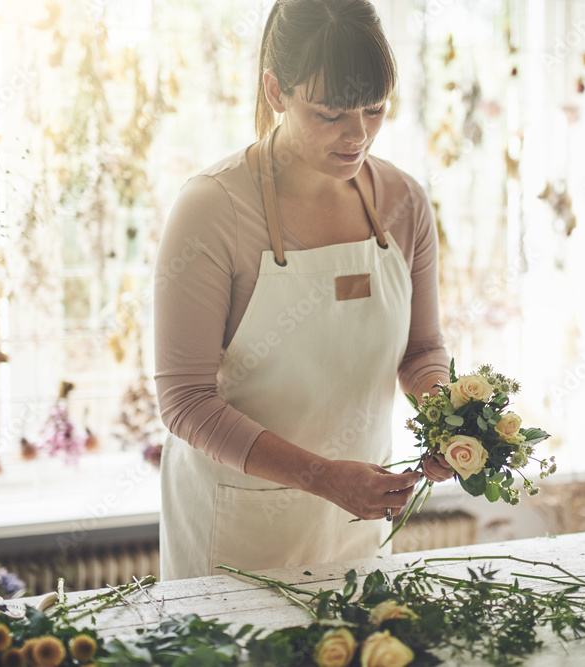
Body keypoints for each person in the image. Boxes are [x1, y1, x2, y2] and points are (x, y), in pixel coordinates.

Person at [153, 0, 454, 581]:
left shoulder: (403, 201)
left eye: (375, 109)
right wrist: (323, 477)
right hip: (234, 532)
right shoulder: (212, 208)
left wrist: (449, 417)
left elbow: (421, 353)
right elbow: (184, 401)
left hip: (357, 526)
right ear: (275, 92)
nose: (357, 135)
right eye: (329, 113)